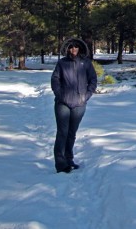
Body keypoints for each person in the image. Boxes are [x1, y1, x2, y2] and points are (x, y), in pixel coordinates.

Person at [51, 37, 97, 173]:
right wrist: (60, 95)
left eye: (76, 47)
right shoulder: (62, 63)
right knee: (62, 132)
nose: (74, 49)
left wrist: (86, 96)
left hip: (79, 104)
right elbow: (55, 80)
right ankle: (60, 163)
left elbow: (93, 80)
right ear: (67, 49)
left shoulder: (86, 63)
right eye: (71, 47)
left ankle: (69, 158)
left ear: (80, 48)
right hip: (62, 104)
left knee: (72, 133)